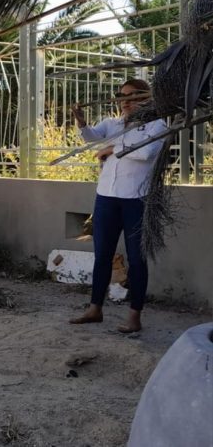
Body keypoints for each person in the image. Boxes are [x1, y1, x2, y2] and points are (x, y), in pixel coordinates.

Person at [69, 79, 167, 333]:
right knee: (102, 255)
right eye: (122, 96)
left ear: (146, 98)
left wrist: (112, 148)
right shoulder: (111, 123)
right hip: (106, 197)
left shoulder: (156, 124)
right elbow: (92, 140)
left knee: (136, 259)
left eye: (133, 96)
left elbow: (146, 153)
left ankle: (134, 316)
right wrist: (81, 122)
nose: (126, 101)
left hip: (137, 199)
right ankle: (95, 309)